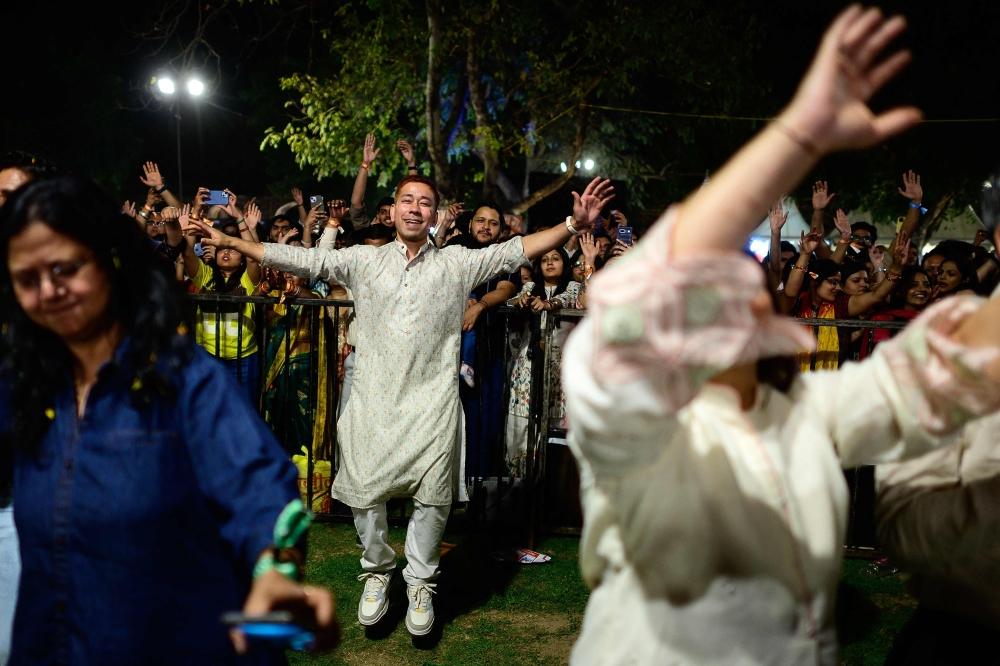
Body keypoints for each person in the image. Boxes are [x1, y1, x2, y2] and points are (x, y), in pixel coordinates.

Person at [562, 8, 1000, 665]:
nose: (719, 293)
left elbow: (940, 367)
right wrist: (798, 133)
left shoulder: (804, 408)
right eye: (703, 290)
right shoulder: (634, 417)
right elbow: (634, 298)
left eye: (742, 287)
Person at [183, 172, 613, 638]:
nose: (414, 208)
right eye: (407, 200)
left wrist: (573, 224)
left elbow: (517, 250)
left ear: (434, 213)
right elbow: (300, 259)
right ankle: (376, 573)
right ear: (395, 209)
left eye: (424, 202)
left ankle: (421, 583)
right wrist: (230, 239)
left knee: (433, 500)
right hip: (372, 399)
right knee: (366, 494)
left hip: (433, 402)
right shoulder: (363, 261)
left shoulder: (457, 263)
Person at [0, 175, 339, 664]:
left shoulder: (180, 377)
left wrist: (275, 573)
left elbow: (259, 489)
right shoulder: (25, 386)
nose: (49, 291)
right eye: (27, 279)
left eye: (65, 268)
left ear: (108, 261)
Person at [181, 194, 264, 404]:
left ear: (242, 257)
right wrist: (195, 212)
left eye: (233, 250)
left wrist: (238, 216)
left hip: (243, 359)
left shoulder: (247, 279)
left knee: (243, 413)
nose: (226, 252)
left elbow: (256, 257)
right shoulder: (205, 276)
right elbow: (188, 254)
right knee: (207, 411)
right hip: (207, 356)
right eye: (222, 249)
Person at [505, 248, 580, 477]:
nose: (549, 263)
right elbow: (512, 301)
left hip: (559, 365)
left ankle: (551, 477)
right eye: (545, 260)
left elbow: (567, 299)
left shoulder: (573, 286)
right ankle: (521, 478)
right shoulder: (530, 287)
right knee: (522, 418)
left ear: (564, 263)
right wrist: (521, 300)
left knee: (555, 417)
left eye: (555, 259)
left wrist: (550, 304)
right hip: (529, 363)